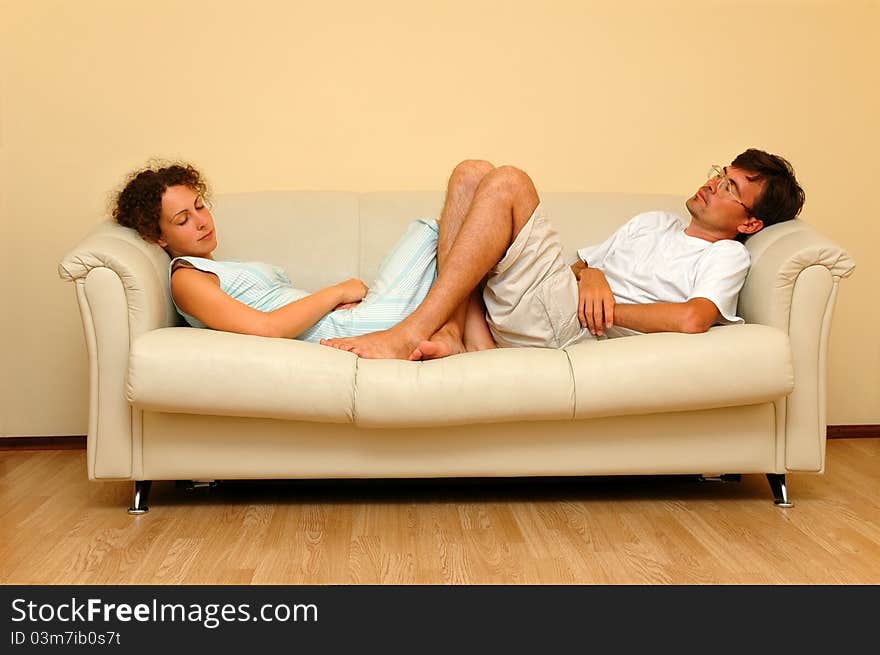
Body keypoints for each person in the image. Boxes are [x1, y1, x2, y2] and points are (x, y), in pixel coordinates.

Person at [320, 148, 805, 360]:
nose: (711, 184)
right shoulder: (653, 223)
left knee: (509, 180)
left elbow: (693, 320)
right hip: (558, 302)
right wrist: (590, 276)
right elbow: (576, 266)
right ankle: (458, 334)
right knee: (472, 172)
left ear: (749, 224)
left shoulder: (727, 258)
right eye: (719, 172)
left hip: (575, 328)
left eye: (729, 187)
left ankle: (412, 332)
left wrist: (603, 306)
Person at [112, 162, 494, 348]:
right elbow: (266, 329)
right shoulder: (186, 278)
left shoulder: (218, 268)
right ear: (157, 237)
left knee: (473, 179)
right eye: (182, 219)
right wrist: (336, 293)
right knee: (444, 221)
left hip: (352, 315)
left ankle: (457, 334)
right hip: (357, 326)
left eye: (199, 206)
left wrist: (330, 301)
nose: (200, 221)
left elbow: (282, 311)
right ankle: (459, 335)